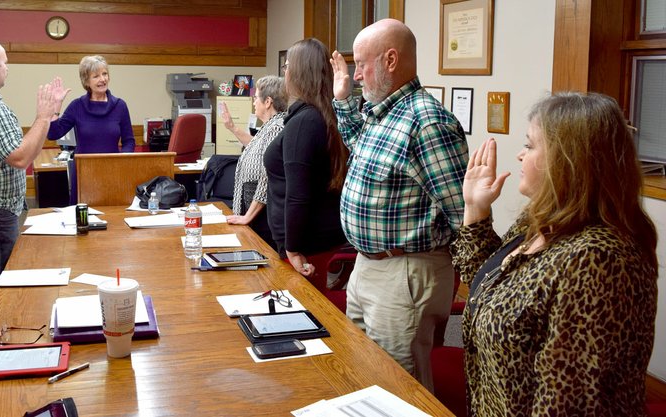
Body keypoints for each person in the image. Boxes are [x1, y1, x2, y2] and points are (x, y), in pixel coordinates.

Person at [452, 92, 658, 416]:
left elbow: (568, 403)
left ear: (568, 158)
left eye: (531, 145)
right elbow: (490, 286)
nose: (520, 155)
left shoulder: (598, 261)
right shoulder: (543, 219)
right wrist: (475, 209)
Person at [330, 18, 469, 390]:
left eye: (361, 64)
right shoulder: (383, 111)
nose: (356, 75)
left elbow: (463, 213)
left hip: (405, 272)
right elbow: (359, 145)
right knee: (360, 369)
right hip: (369, 266)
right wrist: (342, 100)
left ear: (390, 60)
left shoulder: (427, 122)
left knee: (396, 386)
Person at [0, 38, 62, 312]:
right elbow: (19, 157)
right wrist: (43, 117)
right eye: (5, 62)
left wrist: (48, 115)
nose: (8, 68)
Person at [264, 38, 349, 278]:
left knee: (306, 312)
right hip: (310, 240)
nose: (285, 72)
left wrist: (293, 248)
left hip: (305, 247)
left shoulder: (304, 123)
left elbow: (298, 194)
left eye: (287, 66)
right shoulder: (319, 114)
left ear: (299, 72)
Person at [221, 75, 287, 248]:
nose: (253, 102)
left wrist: (248, 216)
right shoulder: (269, 126)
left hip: (261, 218)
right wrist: (232, 127)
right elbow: (255, 147)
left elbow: (267, 179)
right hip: (253, 211)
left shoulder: (277, 127)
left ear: (268, 102)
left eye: (256, 97)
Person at [47, 55, 135, 154]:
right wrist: (57, 104)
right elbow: (53, 134)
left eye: (104, 74)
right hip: (84, 168)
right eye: (96, 76)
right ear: (86, 81)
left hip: (112, 167)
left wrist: (122, 160)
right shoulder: (77, 106)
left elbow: (129, 141)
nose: (102, 79)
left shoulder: (120, 106)